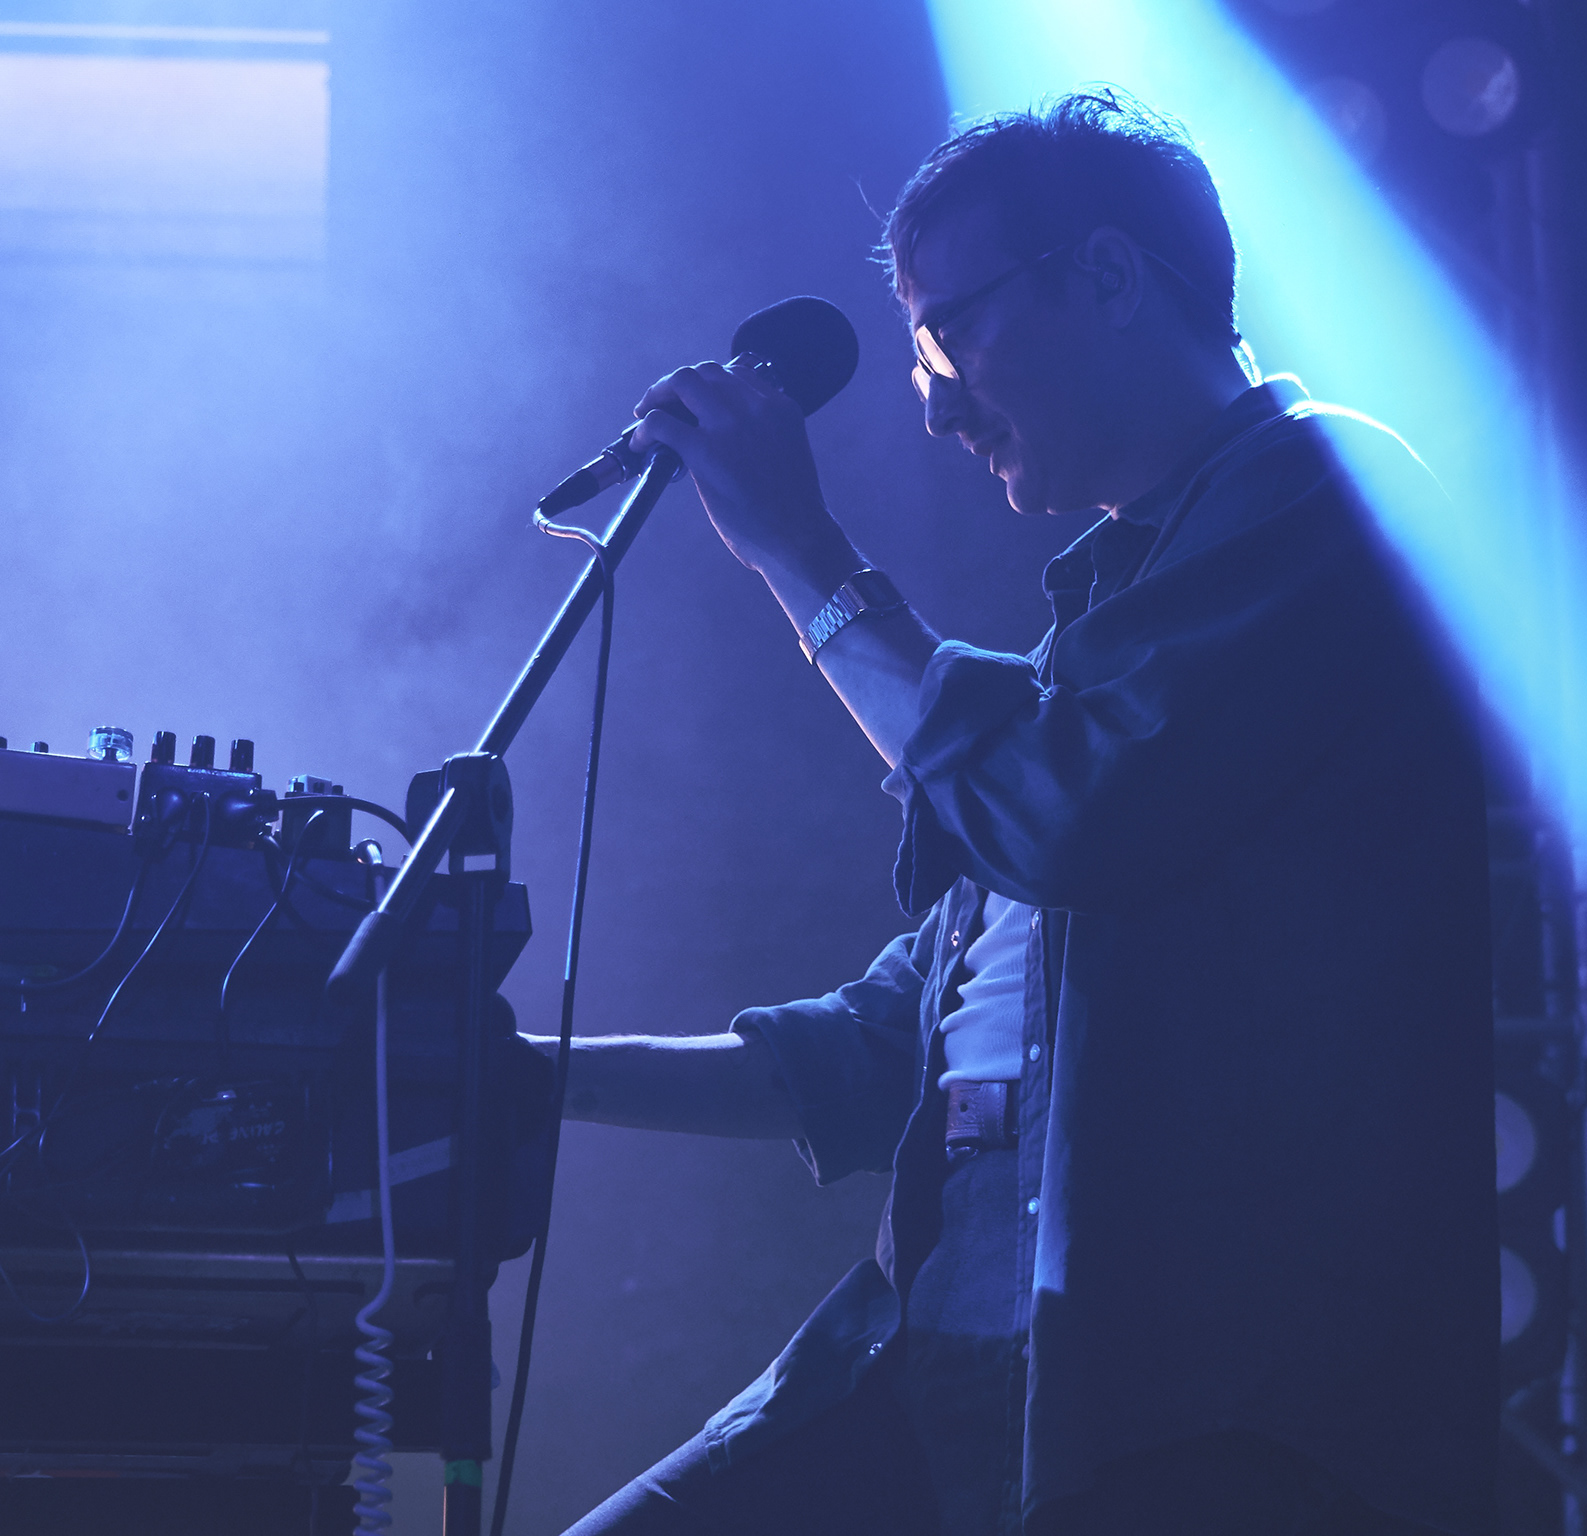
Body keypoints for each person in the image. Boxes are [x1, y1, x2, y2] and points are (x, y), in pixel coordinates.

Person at [532, 90, 1498, 1536]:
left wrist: (802, 553)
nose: (933, 403)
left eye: (950, 336)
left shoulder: (1327, 491)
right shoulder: (1078, 658)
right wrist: (527, 1074)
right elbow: (878, 1047)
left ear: (1107, 276)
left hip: (1198, 1398)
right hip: (940, 1358)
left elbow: (1079, 815)